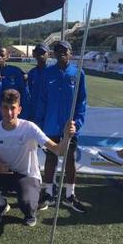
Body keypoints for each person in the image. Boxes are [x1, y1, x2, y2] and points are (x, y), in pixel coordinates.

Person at [0, 89, 76, 226]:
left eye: (13, 108)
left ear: (19, 110)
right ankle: (1, 203)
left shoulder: (29, 128)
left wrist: (66, 137)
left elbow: (58, 150)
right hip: (4, 174)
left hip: (27, 175)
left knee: (26, 204)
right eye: (5, 108)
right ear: (0, 109)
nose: (9, 113)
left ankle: (31, 208)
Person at [35, 40, 87, 213]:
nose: (61, 53)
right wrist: (40, 125)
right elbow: (41, 100)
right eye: (58, 50)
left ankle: (70, 195)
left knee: (70, 159)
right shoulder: (47, 73)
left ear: (71, 53)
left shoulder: (78, 73)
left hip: (69, 127)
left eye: (65, 50)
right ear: (54, 54)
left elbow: (82, 102)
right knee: (51, 159)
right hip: (50, 125)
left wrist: (77, 124)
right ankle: (48, 193)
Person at [0, 46, 29, 120]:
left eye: (2, 55)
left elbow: (24, 94)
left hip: (14, 115)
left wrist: (23, 115)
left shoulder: (16, 71)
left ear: (7, 57)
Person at [27, 43, 50, 122]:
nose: (40, 55)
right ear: (35, 54)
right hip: (34, 113)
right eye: (38, 53)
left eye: (43, 52)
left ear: (48, 54)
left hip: (49, 114)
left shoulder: (54, 72)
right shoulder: (31, 73)